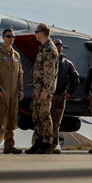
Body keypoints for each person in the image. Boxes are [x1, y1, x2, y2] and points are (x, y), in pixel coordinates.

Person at [25, 23, 59, 154]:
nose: (35, 34)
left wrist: (46, 90)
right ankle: (38, 142)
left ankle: (47, 143)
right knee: (37, 116)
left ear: (41, 33)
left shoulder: (49, 49)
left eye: (36, 32)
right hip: (38, 88)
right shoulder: (43, 48)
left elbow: (49, 72)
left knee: (44, 116)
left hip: (44, 89)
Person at [0, 28, 24, 154]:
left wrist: (21, 89)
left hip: (13, 93)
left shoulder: (16, 55)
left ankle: (9, 146)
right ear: (3, 38)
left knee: (11, 120)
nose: (11, 38)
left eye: (13, 37)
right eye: (8, 36)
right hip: (1, 92)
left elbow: (20, 74)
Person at [49, 38, 80, 154]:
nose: (58, 46)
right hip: (48, 96)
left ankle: (54, 145)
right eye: (56, 44)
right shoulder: (46, 60)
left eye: (60, 45)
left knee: (56, 122)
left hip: (60, 96)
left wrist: (69, 93)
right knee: (44, 121)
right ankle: (40, 143)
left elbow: (75, 79)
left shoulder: (67, 64)